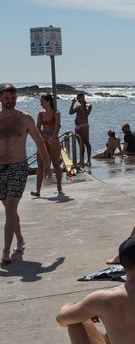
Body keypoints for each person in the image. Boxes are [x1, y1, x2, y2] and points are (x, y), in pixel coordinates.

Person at [56, 235, 135, 344]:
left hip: (105, 307)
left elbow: (61, 319)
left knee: (75, 318)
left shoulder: (104, 299)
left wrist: (80, 308)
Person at [1, 84, 51, 264]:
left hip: (18, 167)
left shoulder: (25, 119)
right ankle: (20, 239)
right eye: (6, 98)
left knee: (11, 208)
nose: (10, 101)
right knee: (9, 210)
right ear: (0, 99)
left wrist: (46, 165)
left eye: (13, 98)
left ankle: (5, 251)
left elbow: (39, 142)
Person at [31, 94, 62, 197]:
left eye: (42, 101)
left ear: (48, 101)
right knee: (40, 165)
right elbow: (38, 128)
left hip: (54, 141)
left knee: (56, 164)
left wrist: (53, 137)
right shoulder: (40, 113)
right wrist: (44, 137)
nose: (41, 103)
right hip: (43, 141)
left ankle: (59, 187)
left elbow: (57, 127)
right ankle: (38, 190)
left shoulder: (56, 113)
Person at [69, 93, 93, 167]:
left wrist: (83, 103)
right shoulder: (78, 106)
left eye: (80, 98)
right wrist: (72, 103)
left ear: (83, 98)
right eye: (78, 99)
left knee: (86, 142)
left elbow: (86, 114)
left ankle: (88, 160)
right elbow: (70, 113)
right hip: (77, 127)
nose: (79, 100)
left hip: (84, 127)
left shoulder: (88, 105)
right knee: (80, 145)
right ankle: (82, 160)